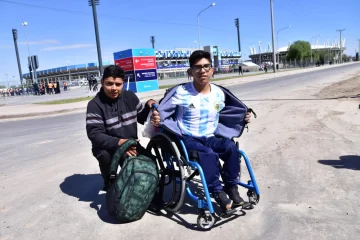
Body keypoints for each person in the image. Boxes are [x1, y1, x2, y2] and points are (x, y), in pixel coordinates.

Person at [153, 50, 252, 212]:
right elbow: (162, 111)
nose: (202, 71)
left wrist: (243, 117)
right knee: (208, 154)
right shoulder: (181, 92)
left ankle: (231, 188)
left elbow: (228, 112)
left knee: (231, 148)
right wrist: (156, 118)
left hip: (210, 136)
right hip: (187, 138)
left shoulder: (219, 93)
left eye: (206, 66)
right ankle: (217, 192)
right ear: (190, 71)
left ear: (212, 69)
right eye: (197, 67)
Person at [86, 65, 160, 191]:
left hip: (130, 144)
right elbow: (95, 135)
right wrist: (120, 143)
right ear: (102, 82)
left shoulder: (130, 97)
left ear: (123, 84)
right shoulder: (95, 105)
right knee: (105, 157)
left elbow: (142, 118)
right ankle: (109, 182)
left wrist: (149, 106)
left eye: (118, 84)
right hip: (107, 147)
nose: (114, 88)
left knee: (149, 164)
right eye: (109, 84)